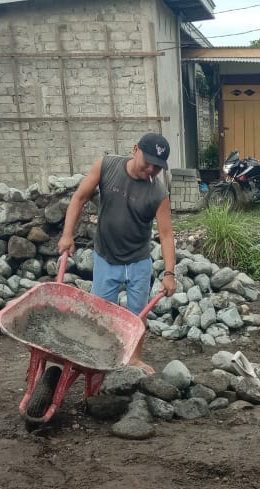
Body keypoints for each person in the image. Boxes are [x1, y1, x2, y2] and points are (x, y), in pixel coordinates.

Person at [58, 132, 178, 371]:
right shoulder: (107, 165)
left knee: (137, 316)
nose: (152, 170)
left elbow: (166, 234)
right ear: (135, 150)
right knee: (101, 314)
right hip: (106, 257)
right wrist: (67, 235)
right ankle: (100, 360)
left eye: (158, 167)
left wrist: (169, 273)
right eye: (149, 162)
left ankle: (133, 358)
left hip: (138, 260)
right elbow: (79, 198)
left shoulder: (158, 193)